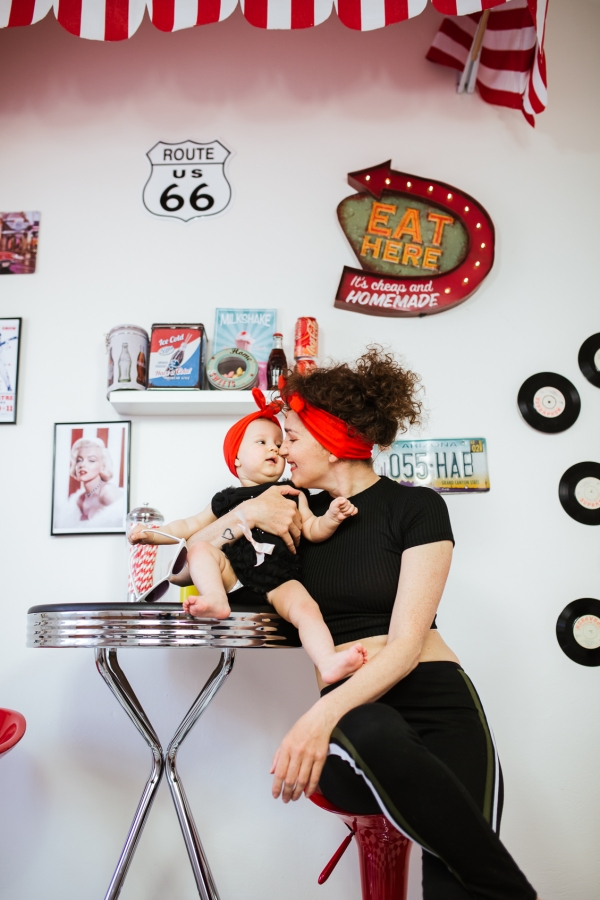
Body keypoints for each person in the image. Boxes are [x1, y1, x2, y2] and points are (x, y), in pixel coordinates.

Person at [179, 347, 541, 900]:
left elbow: (406, 647)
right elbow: (185, 568)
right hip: (354, 722)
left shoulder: (417, 509)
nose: (282, 451)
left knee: (455, 887)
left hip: (440, 704)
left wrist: (315, 717)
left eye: (291, 437)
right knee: (372, 726)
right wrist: (245, 513)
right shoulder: (291, 519)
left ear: (331, 440)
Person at [129, 389, 368, 686]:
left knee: (307, 609)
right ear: (237, 459)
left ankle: (328, 661)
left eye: (279, 443)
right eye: (262, 442)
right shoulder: (225, 500)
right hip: (235, 578)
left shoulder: (293, 492)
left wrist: (331, 518)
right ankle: (215, 598)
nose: (276, 449)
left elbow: (311, 529)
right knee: (200, 548)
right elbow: (189, 526)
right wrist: (151, 535)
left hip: (279, 580)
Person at [66, 437, 123, 526]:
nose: (82, 464)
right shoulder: (78, 500)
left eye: (91, 460)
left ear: (103, 465)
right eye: (79, 460)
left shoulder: (108, 492)